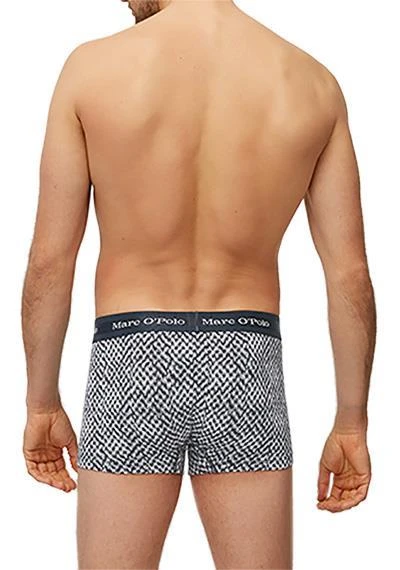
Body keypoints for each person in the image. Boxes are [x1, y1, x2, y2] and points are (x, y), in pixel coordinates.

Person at [21, 1, 376, 568]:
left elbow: (50, 261)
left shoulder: (90, 70)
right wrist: (352, 422)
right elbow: (349, 274)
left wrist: (41, 401)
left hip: (129, 359)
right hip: (247, 358)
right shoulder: (311, 83)